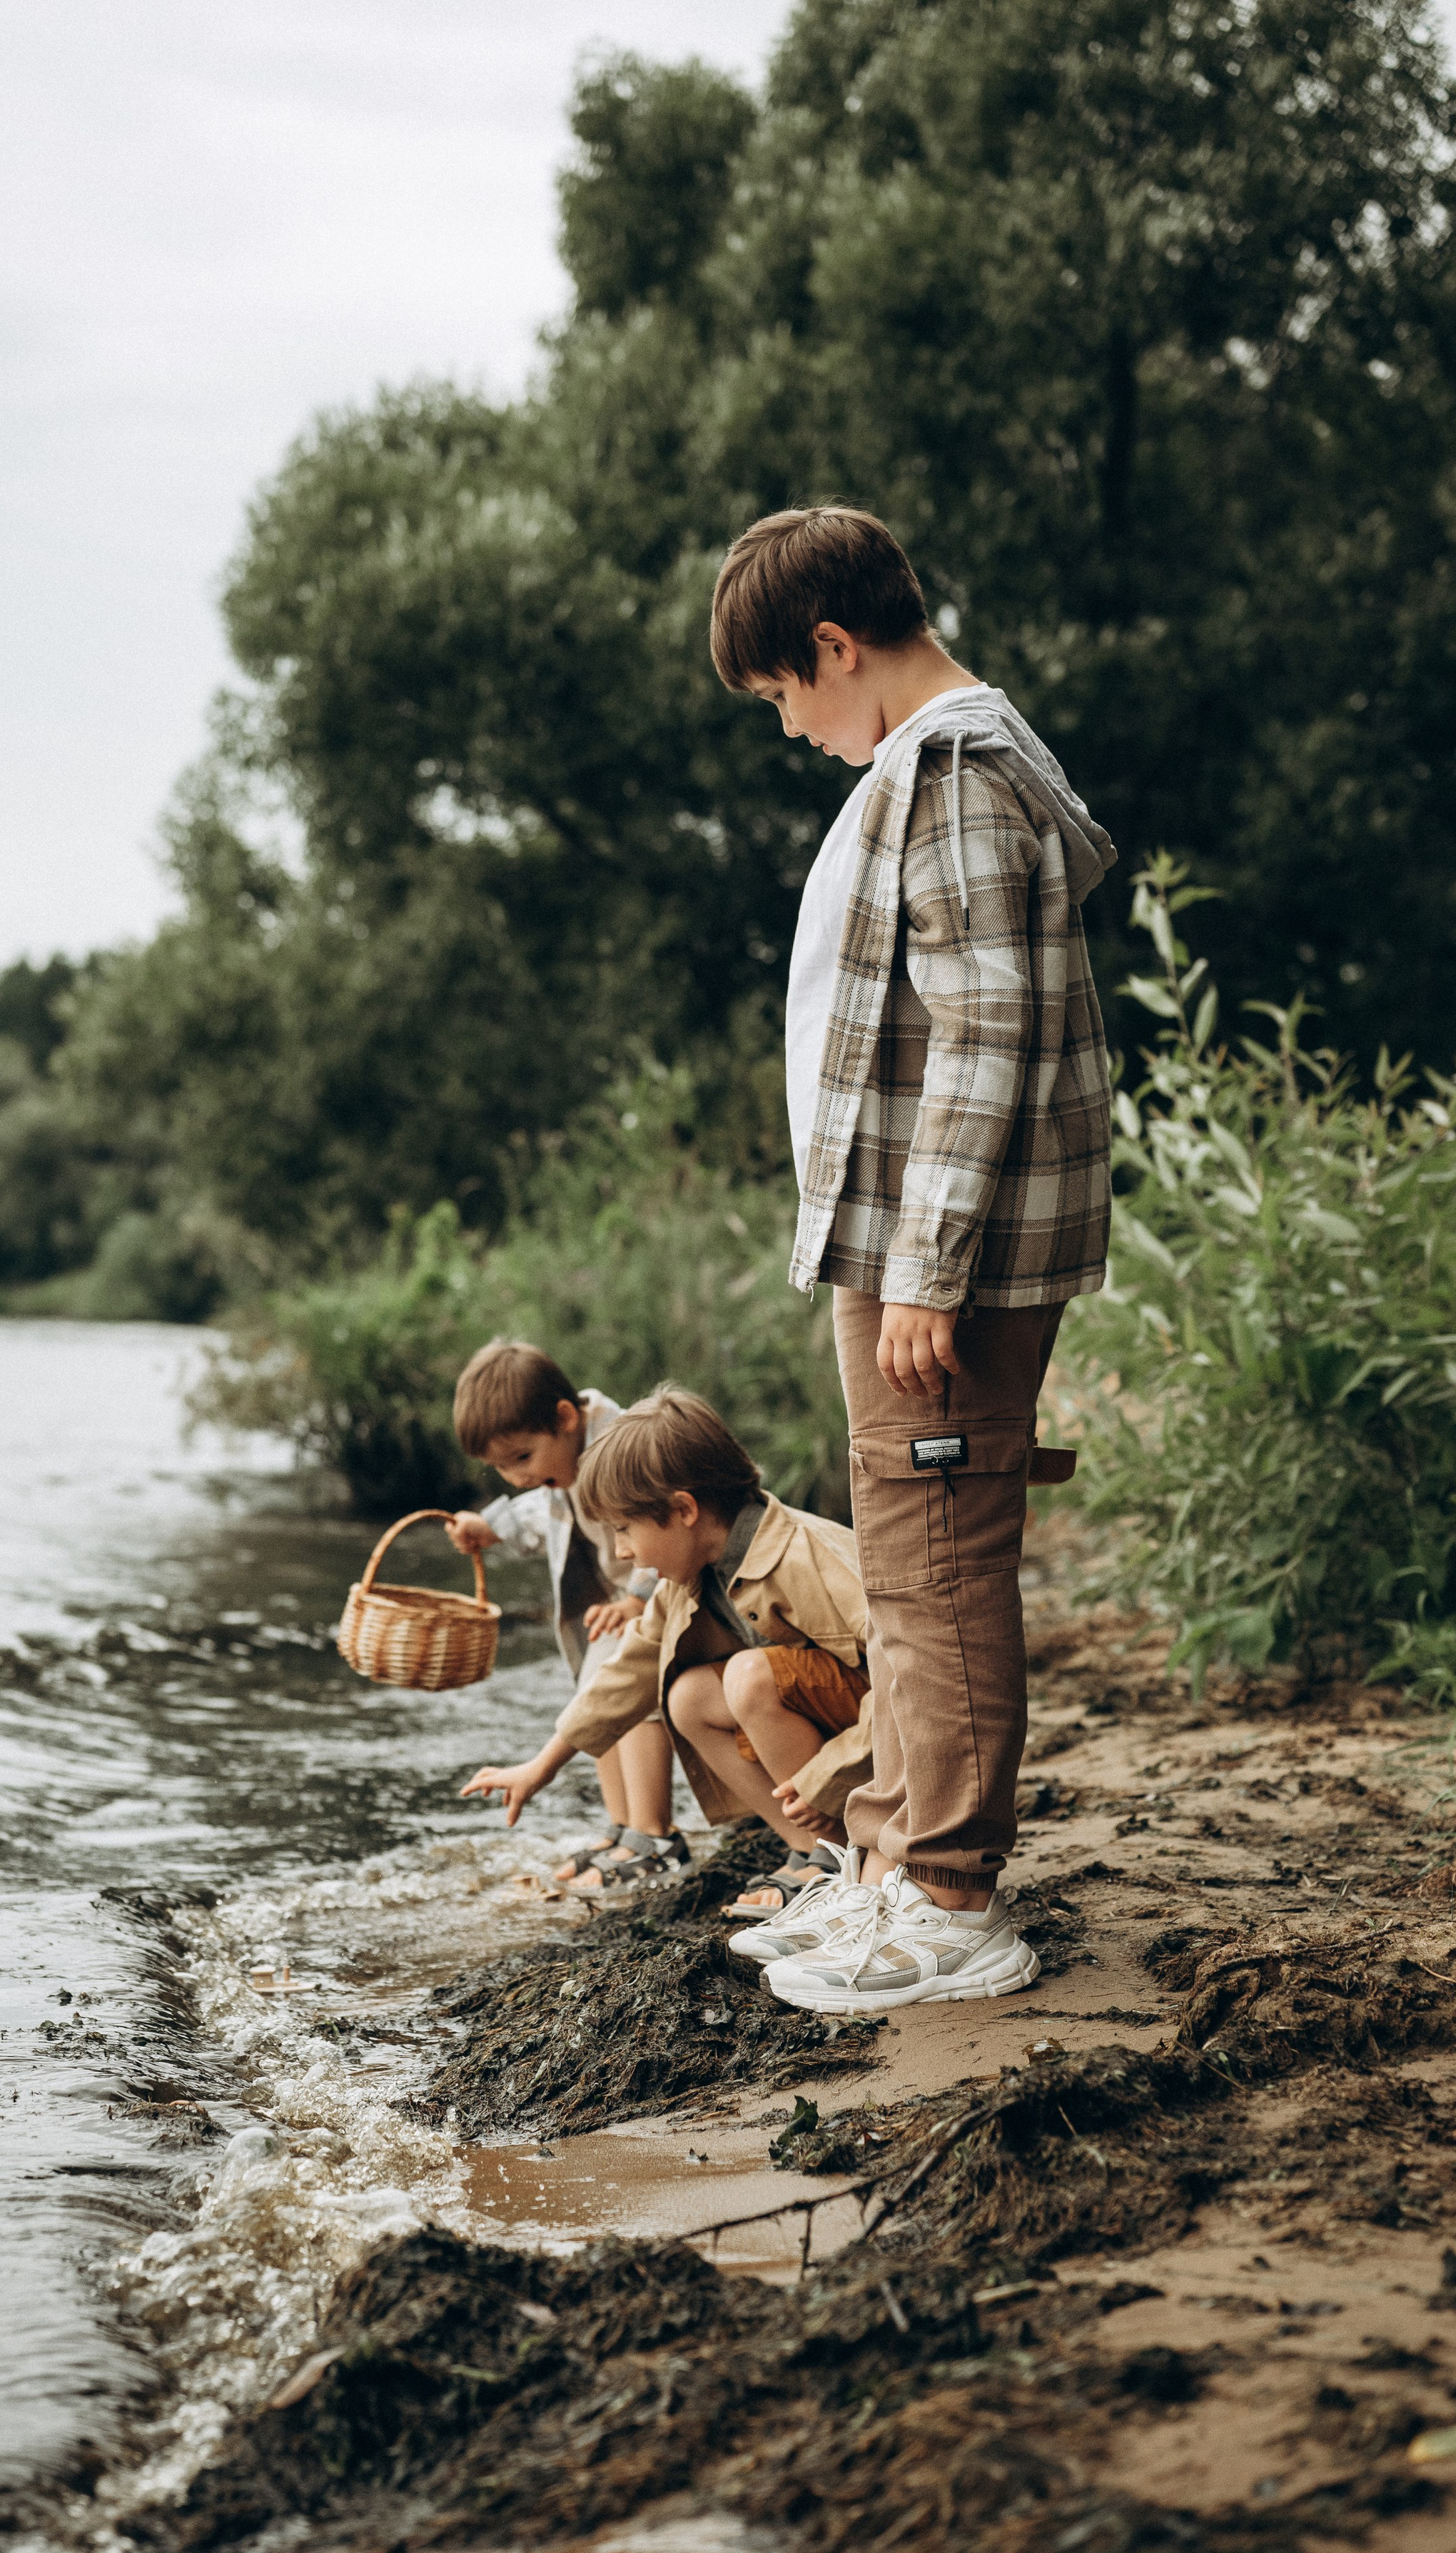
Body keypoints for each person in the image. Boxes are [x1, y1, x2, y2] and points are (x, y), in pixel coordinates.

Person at [706, 504, 1114, 2011]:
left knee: (934, 1567)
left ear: (832, 646)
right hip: (900, 1238)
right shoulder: (928, 762)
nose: (792, 729)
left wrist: (929, 1268)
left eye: (783, 698)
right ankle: (887, 1860)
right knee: (903, 1554)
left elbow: (981, 1032)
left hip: (938, 1250)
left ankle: (948, 1898)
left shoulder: (945, 771)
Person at [461, 1384, 874, 1918]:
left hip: (893, 1738)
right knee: (686, 1697)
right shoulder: (692, 1577)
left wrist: (828, 1777)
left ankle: (843, 1848)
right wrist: (540, 1767)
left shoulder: (801, 1555)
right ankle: (812, 1847)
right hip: (846, 1732)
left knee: (749, 1676)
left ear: (683, 1509)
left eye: (624, 1529)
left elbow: (911, 1679)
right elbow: (625, 1674)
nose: (621, 1552)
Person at [447, 1339, 678, 1891]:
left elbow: (667, 1513)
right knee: (592, 1689)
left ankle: (657, 1833)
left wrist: (638, 1599)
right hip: (616, 1606)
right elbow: (545, 1511)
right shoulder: (560, 1460)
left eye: (522, 1459)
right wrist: (493, 1524)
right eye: (500, 1468)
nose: (516, 1476)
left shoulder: (623, 1443)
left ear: (566, 1419)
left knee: (629, 1690)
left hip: (663, 1595)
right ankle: (624, 1826)